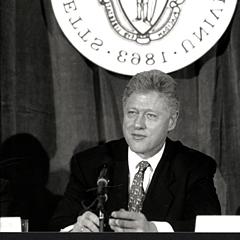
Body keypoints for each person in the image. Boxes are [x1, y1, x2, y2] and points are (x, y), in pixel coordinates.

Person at [49, 69, 221, 232]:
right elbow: (59, 224)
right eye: (132, 113)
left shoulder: (194, 167)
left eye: (150, 116)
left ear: (172, 121)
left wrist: (153, 230)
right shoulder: (91, 163)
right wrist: (75, 229)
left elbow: (210, 228)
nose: (138, 124)